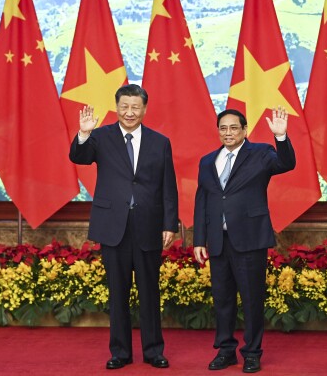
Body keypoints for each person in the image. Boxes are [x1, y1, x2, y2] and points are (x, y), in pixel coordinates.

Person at [69, 84, 178, 370]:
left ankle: (154, 351)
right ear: (116, 107)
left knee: (149, 291)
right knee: (118, 293)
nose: (130, 112)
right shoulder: (100, 137)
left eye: (135, 107)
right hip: (113, 226)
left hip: (148, 225)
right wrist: (83, 133)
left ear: (144, 109)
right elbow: (78, 157)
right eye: (124, 106)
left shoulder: (159, 142)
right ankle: (120, 352)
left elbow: (169, 187)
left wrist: (170, 224)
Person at [193, 107, 295, 373]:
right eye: (223, 128)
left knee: (251, 299)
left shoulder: (260, 154)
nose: (228, 133)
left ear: (244, 130)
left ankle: (252, 353)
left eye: (233, 128)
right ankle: (226, 351)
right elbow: (202, 200)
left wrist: (281, 137)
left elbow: (286, 164)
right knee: (223, 299)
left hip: (250, 239)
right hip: (217, 240)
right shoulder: (207, 161)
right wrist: (199, 240)